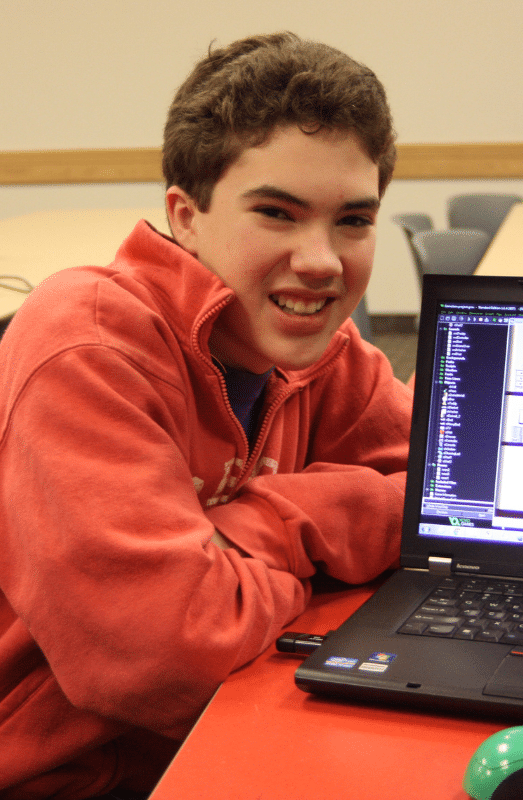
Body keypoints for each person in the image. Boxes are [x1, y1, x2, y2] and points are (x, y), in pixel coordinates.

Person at [0, 32, 412, 799]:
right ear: (185, 216)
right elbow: (159, 659)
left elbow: (435, 499)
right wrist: (305, 531)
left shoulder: (320, 347)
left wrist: (250, 534)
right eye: (277, 213)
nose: (322, 260)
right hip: (71, 776)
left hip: (241, 735)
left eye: (353, 221)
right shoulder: (84, 343)